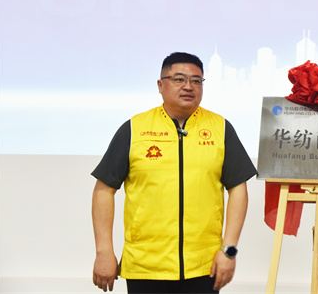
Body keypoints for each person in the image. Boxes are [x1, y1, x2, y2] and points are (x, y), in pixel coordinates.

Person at [91, 52, 257, 293]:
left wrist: (228, 251)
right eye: (179, 79)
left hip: (204, 266)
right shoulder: (135, 129)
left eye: (196, 80)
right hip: (146, 266)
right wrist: (104, 251)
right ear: (160, 85)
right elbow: (103, 190)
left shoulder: (220, 128)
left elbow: (238, 189)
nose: (188, 86)